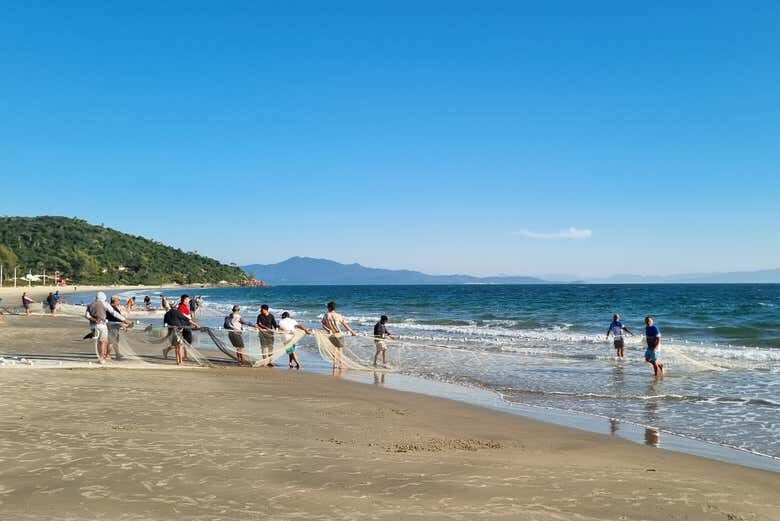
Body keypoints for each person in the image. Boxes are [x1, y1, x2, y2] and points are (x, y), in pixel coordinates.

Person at [163, 296, 201, 365]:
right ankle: (180, 361)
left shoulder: (166, 314)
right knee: (180, 346)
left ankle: (179, 361)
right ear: (175, 306)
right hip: (178, 330)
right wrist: (196, 325)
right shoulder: (177, 312)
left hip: (171, 331)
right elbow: (187, 319)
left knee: (177, 346)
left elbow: (165, 323)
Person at [321, 301, 357, 369]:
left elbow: (323, 325)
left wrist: (328, 330)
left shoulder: (326, 315)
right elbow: (345, 324)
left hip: (331, 335)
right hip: (339, 334)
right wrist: (352, 332)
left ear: (329, 307)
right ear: (334, 308)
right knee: (340, 351)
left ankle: (334, 365)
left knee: (334, 350)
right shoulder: (338, 315)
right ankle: (341, 365)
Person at [85, 292, 110, 363]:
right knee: (103, 342)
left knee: (99, 342)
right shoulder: (105, 304)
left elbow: (87, 315)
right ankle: (102, 358)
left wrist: (95, 320)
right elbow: (113, 312)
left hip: (93, 325)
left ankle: (100, 357)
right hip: (102, 325)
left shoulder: (90, 305)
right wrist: (123, 320)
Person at [105, 296, 132, 360]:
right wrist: (123, 324)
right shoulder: (111, 308)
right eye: (118, 300)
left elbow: (116, 318)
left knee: (116, 341)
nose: (119, 301)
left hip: (115, 326)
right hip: (112, 327)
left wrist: (122, 324)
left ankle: (117, 354)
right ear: (114, 300)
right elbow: (114, 318)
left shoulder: (112, 307)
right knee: (111, 342)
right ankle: (108, 355)